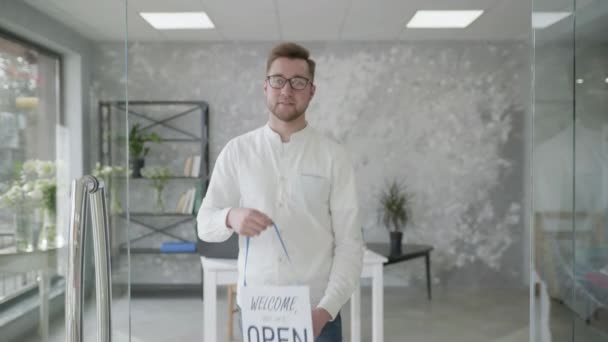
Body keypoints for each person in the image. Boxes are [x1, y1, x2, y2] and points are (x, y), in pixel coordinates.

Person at [197, 42, 364, 341]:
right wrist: (230, 217)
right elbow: (204, 225)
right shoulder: (238, 151)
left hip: (318, 315)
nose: (287, 90)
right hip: (257, 312)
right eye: (278, 80)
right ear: (265, 86)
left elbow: (350, 244)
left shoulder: (333, 156)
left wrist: (324, 311)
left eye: (298, 82)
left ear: (311, 90)